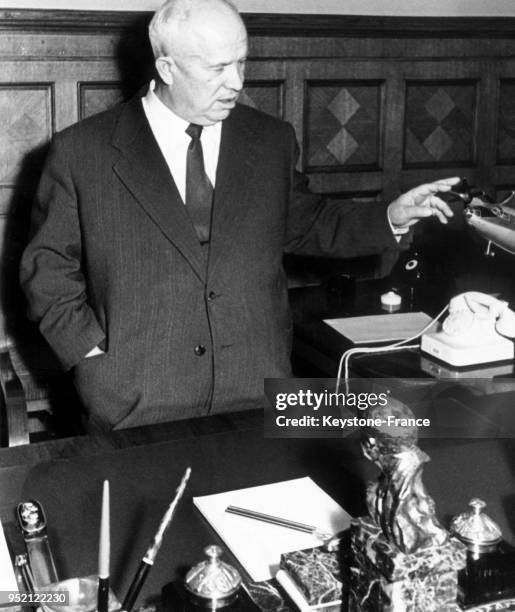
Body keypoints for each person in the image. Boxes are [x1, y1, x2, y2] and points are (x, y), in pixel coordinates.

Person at [20, 0, 458, 431]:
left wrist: (390, 217)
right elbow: (48, 270)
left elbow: (308, 223)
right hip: (134, 400)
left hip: (255, 388)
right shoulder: (83, 151)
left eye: (241, 63)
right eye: (216, 69)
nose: (235, 83)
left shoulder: (269, 141)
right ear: (167, 69)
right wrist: (91, 358)